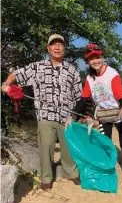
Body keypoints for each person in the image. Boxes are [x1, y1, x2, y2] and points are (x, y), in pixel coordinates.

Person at [2, 34, 82, 191]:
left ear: (64, 48)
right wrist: (6, 84)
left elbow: (80, 96)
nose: (57, 47)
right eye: (54, 44)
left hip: (67, 117)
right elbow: (16, 74)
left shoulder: (72, 70)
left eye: (60, 44)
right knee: (46, 146)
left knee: (68, 148)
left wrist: (76, 115)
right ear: (48, 48)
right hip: (45, 115)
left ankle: (71, 173)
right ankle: (46, 177)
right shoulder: (37, 67)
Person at [67, 43, 122, 196]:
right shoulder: (89, 78)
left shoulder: (112, 74)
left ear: (102, 57)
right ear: (88, 61)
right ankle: (107, 174)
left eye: (97, 57)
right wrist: (72, 116)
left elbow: (120, 95)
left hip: (120, 114)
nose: (95, 61)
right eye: (91, 58)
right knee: (105, 145)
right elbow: (84, 98)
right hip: (104, 116)